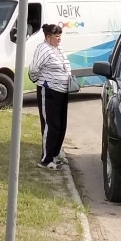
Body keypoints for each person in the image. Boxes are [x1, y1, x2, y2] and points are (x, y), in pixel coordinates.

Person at [29, 23, 73, 170]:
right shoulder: (43, 49)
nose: (59, 39)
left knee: (61, 125)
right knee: (51, 125)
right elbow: (33, 69)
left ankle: (54, 156)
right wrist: (40, 81)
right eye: (56, 36)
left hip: (62, 91)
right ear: (48, 37)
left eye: (60, 36)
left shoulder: (58, 49)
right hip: (49, 91)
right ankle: (46, 159)